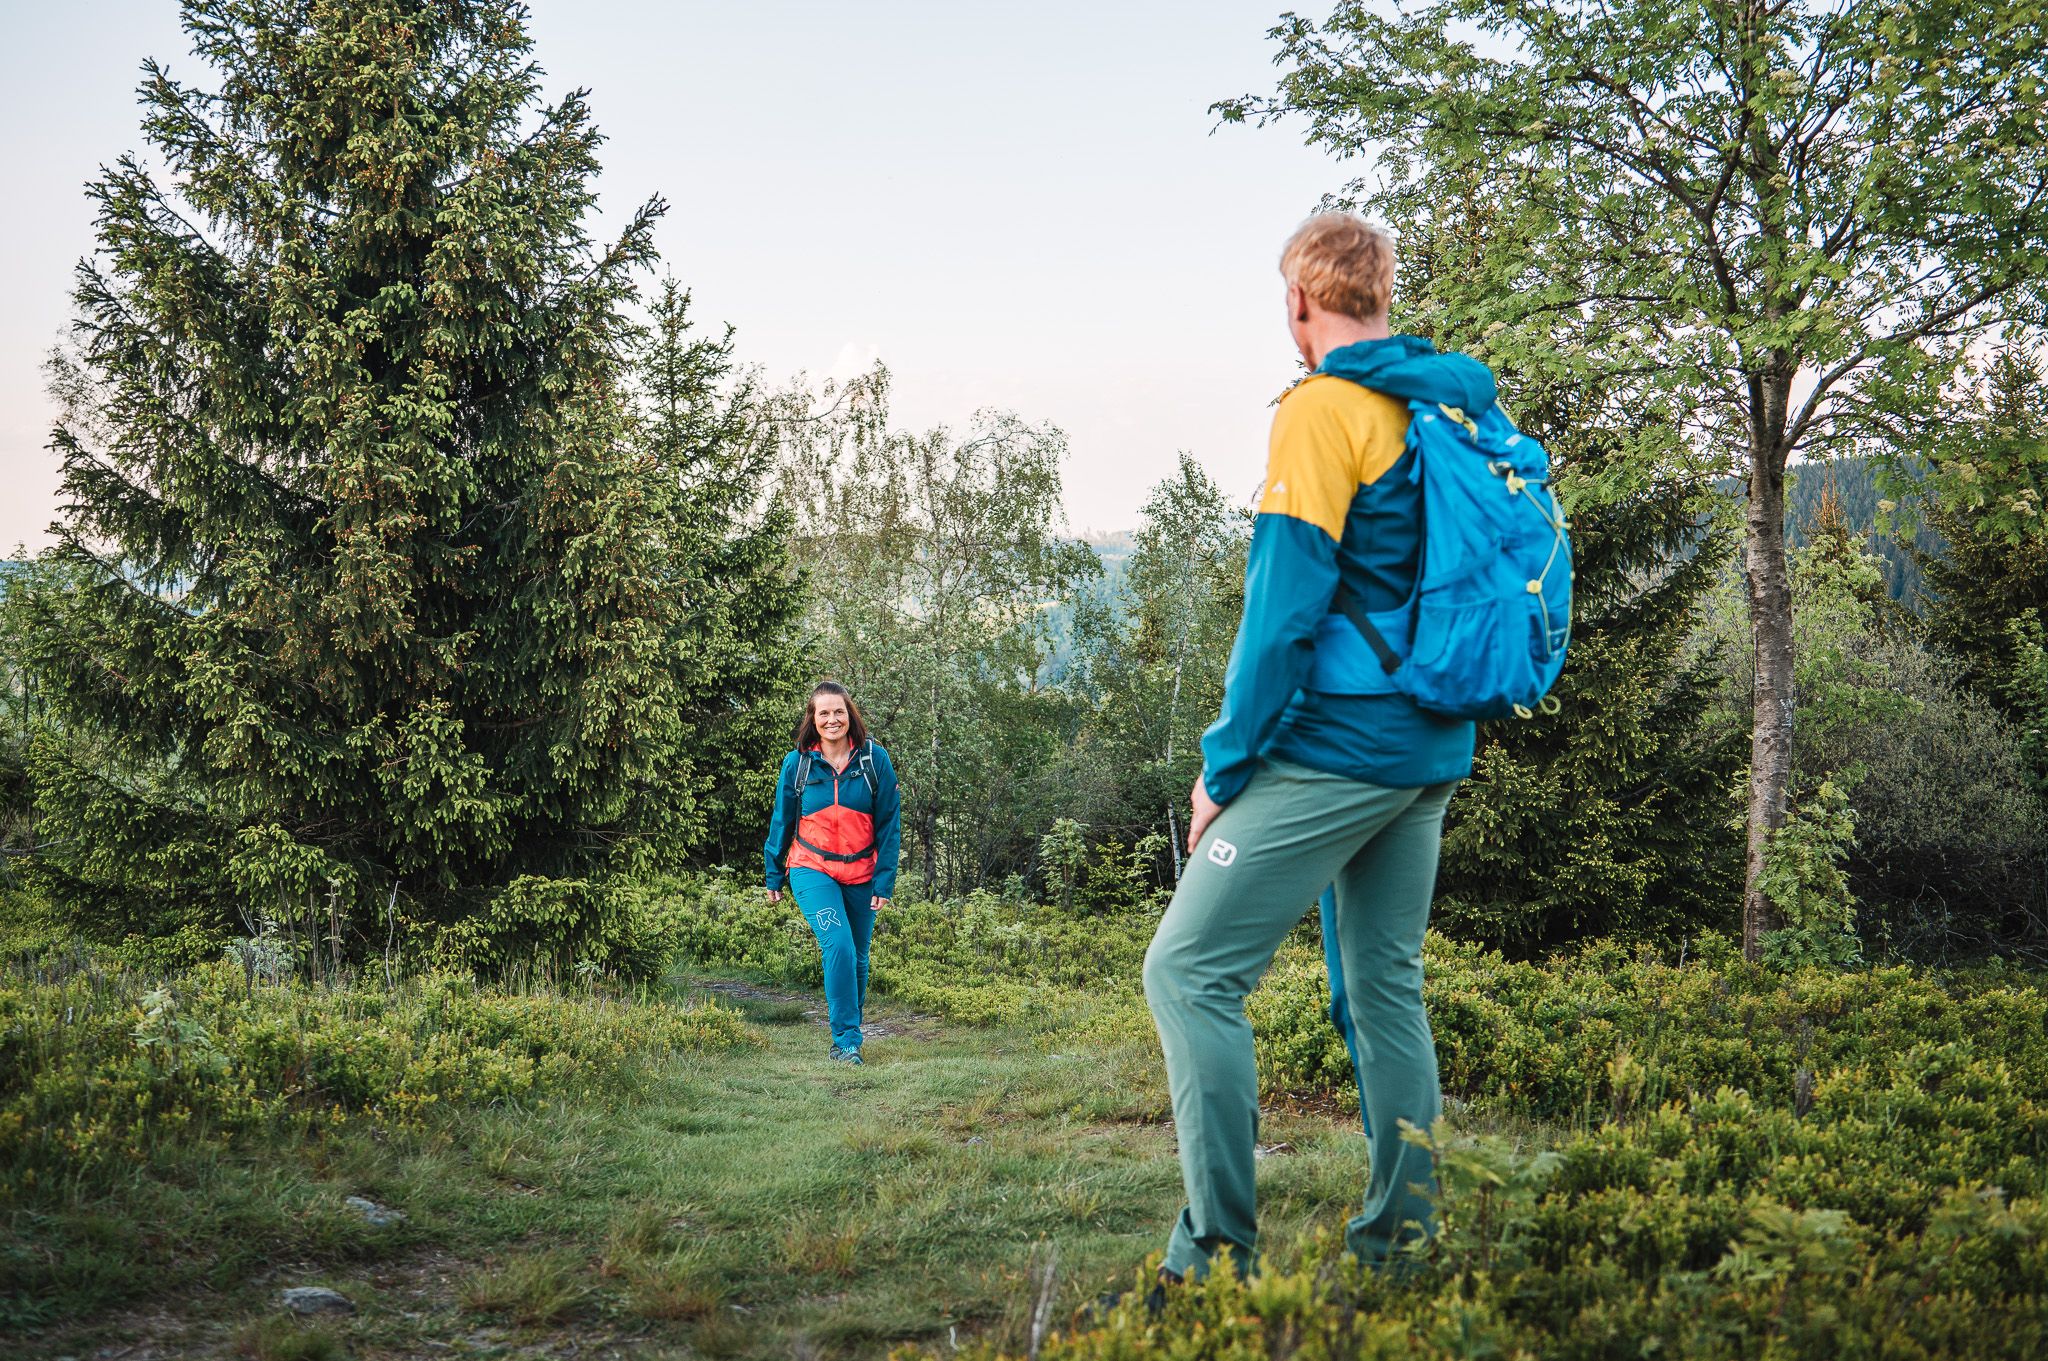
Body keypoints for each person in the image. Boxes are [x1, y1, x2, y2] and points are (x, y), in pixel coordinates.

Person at [1142, 212, 1495, 1283]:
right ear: (1382, 296)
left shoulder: (1323, 410)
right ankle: (1403, 1245)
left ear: (1298, 304)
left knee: (1187, 969)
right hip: (1432, 744)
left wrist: (1221, 768)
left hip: (1341, 747)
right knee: (1383, 986)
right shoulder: (1440, 406)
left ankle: (1213, 1259)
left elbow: (1278, 617)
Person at [764, 681, 902, 1065]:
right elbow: (782, 819)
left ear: (849, 714)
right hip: (811, 867)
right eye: (823, 713)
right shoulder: (799, 764)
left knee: (858, 957)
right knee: (838, 945)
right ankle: (845, 1042)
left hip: (863, 870)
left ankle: (849, 1029)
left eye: (838, 711)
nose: (831, 719)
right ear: (813, 718)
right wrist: (773, 872)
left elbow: (890, 823)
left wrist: (884, 879)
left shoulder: (874, 760)